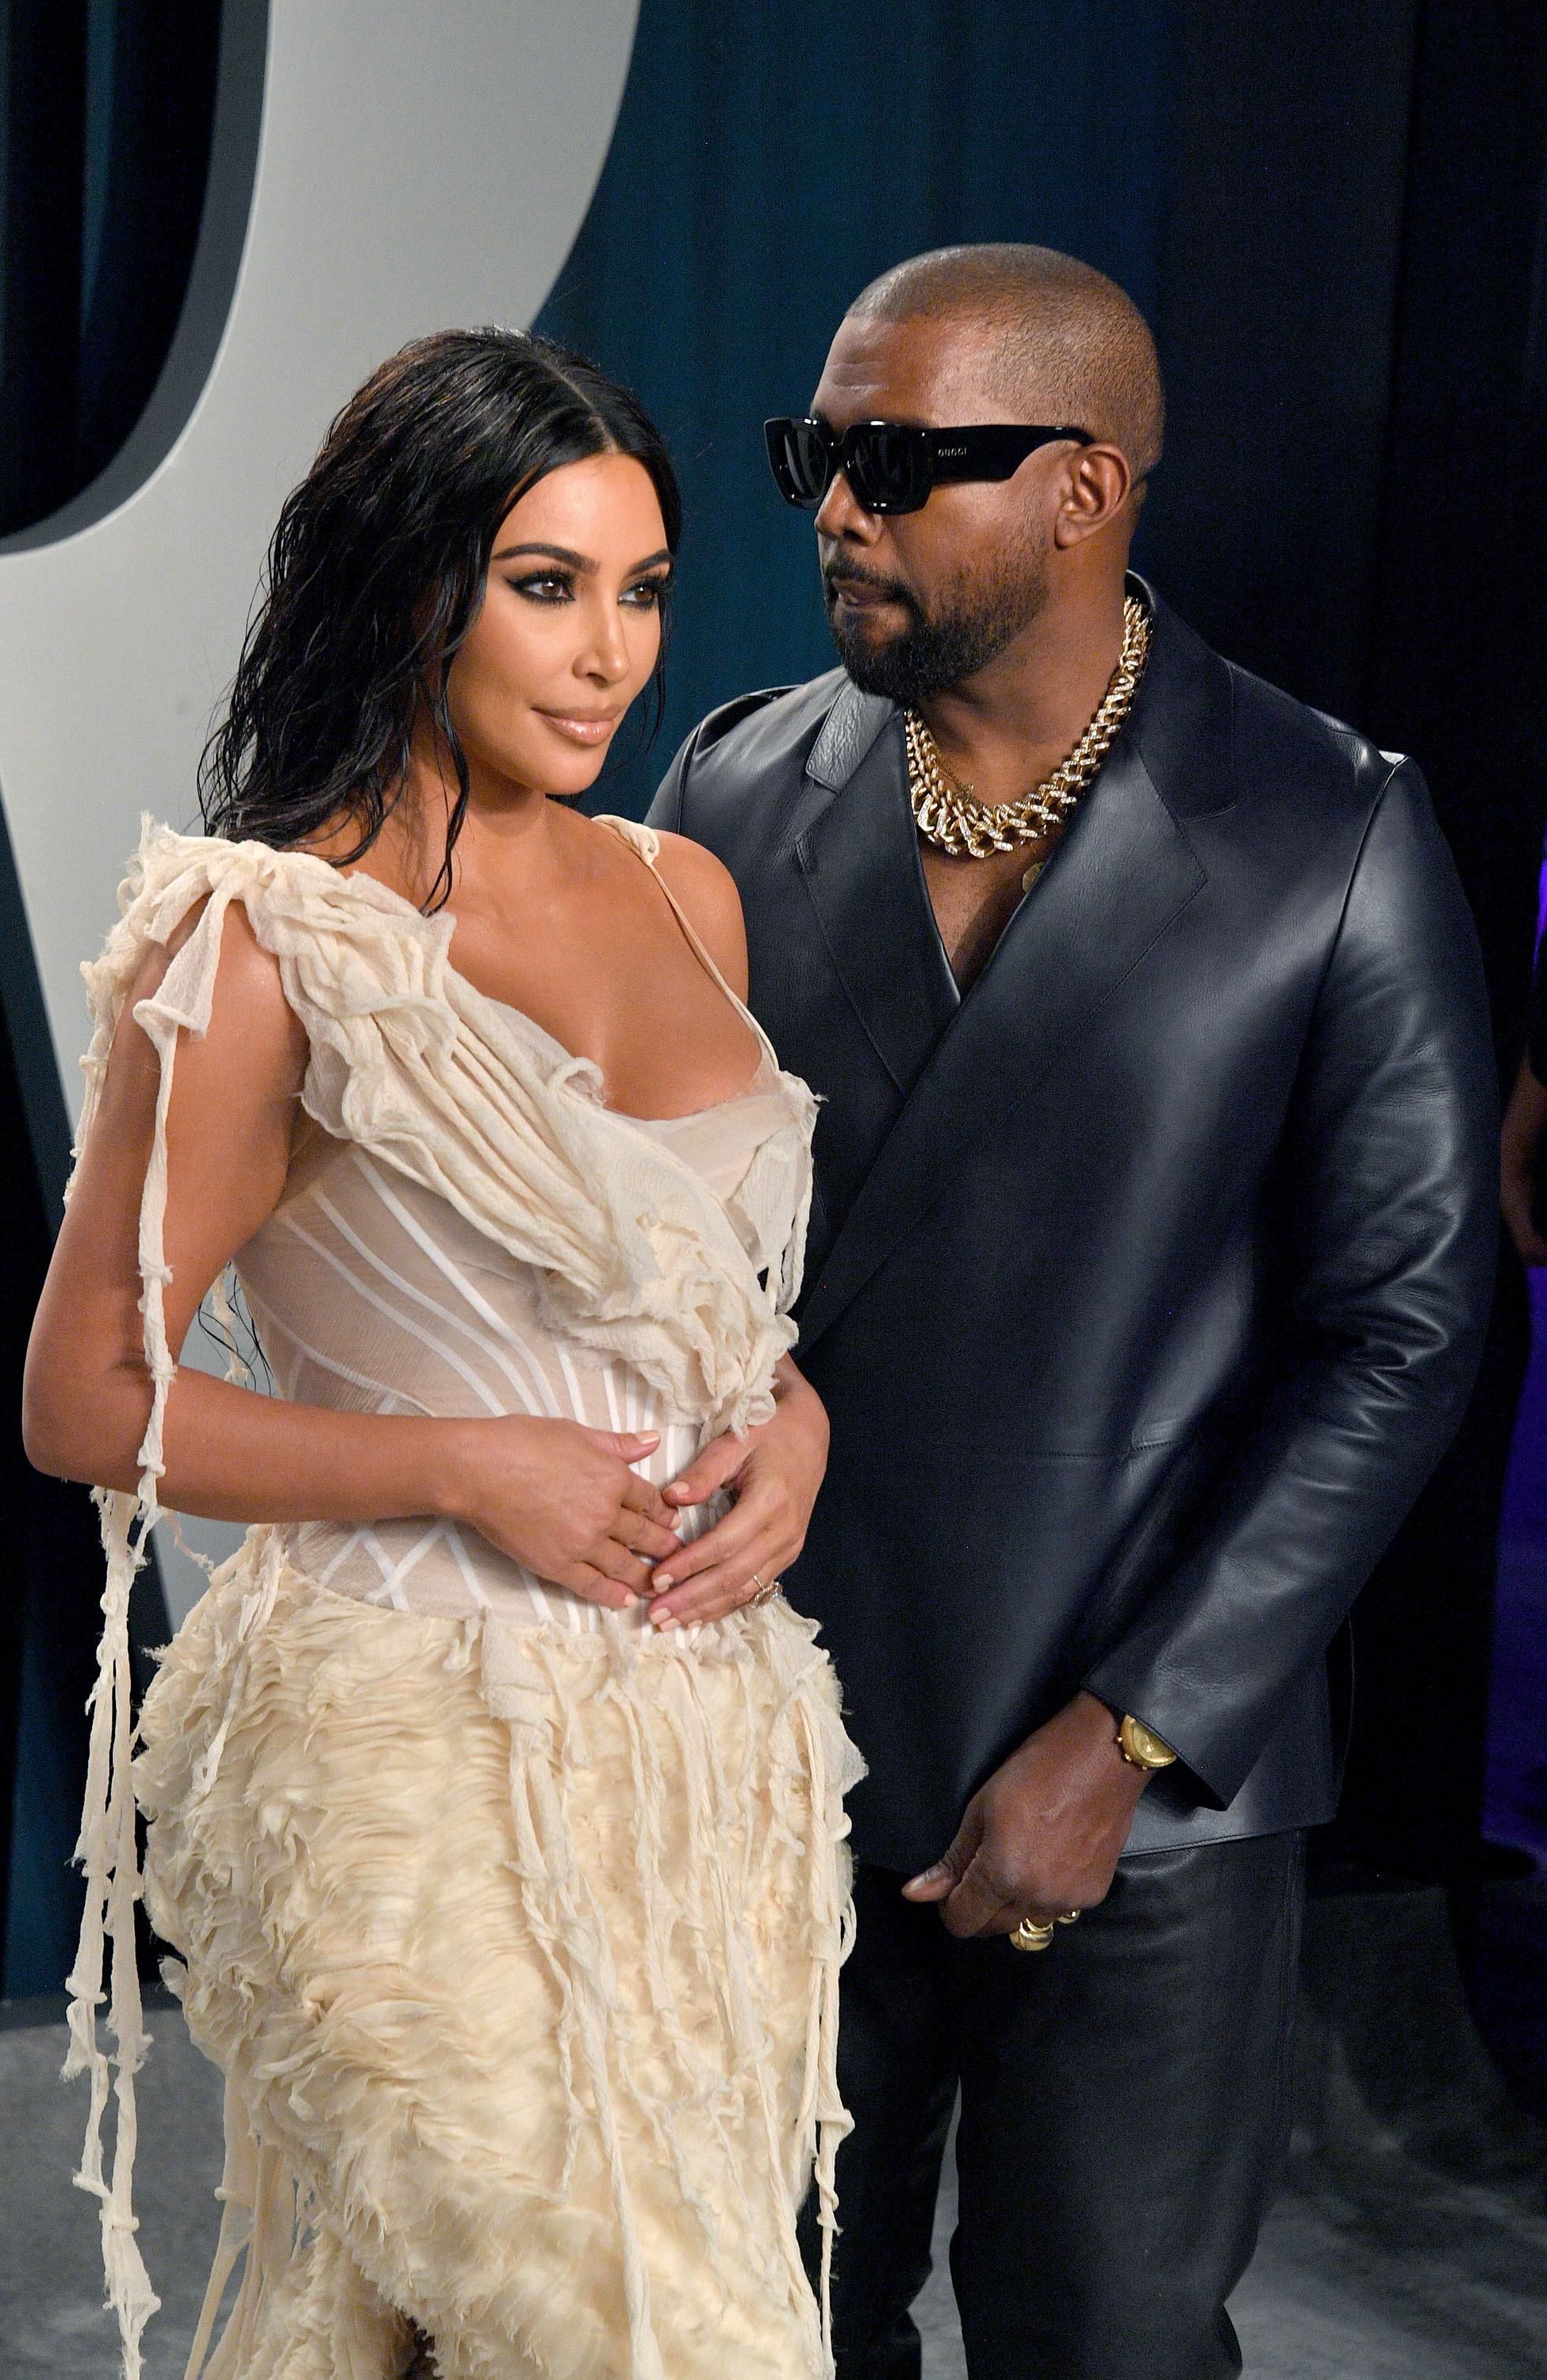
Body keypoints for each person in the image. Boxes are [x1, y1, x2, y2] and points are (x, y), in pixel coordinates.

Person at [648, 245, 1498, 2378]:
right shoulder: (738, 792)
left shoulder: (1335, 837)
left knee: (1101, 2344)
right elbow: (642, 1270)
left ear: (1084, 489)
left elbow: (1402, 1333)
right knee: (753, 2329)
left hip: (1141, 1798)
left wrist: (1129, 1736)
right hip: (773, 1749)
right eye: (816, 454)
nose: (835, 506)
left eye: (898, 460)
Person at [25, 329, 862, 2380]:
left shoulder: (691, 897)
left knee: (389, 2341)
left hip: (695, 1758)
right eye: (546, 584)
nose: (608, 656)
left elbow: (689, 1315)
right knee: (653, 2340)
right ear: (418, 588)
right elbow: (84, 1400)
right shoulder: (263, 943)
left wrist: (797, 1422)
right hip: (404, 1749)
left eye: (644, 591)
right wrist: (469, 1466)